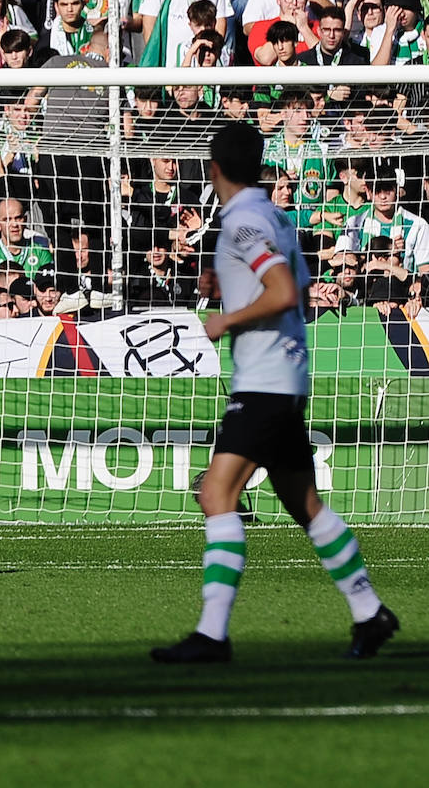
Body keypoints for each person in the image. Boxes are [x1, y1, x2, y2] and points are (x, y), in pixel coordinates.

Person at [151, 122, 399, 663]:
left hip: (263, 381)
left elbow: (283, 291)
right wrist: (226, 283)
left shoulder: (241, 220)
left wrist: (226, 319)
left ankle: (212, 635)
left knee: (216, 494)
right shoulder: (275, 216)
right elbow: (297, 283)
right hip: (285, 375)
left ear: (213, 170)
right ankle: (369, 610)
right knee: (303, 503)